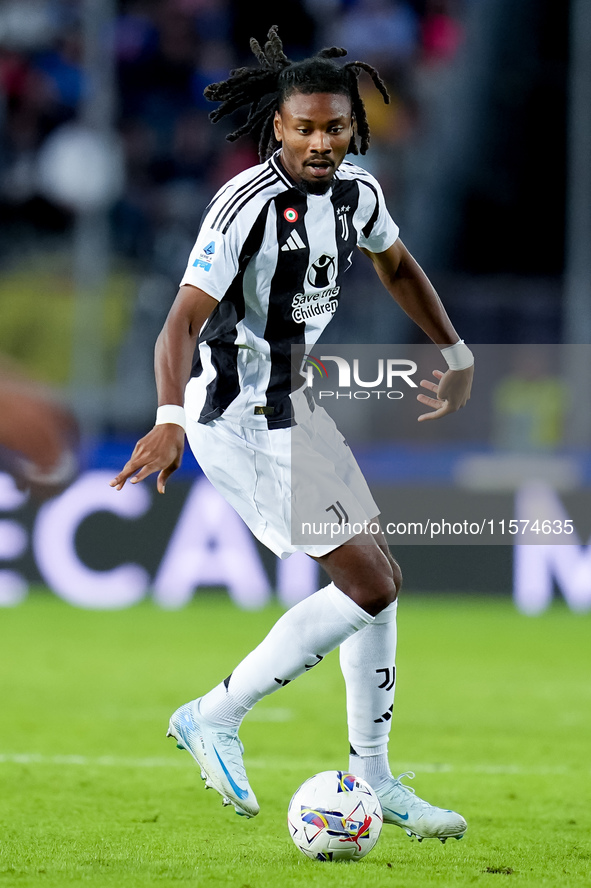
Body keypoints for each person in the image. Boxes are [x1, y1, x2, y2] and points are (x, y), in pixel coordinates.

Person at [111, 27, 474, 842]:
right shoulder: (241, 206)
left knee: (382, 575)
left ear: (354, 129)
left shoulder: (359, 193)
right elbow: (178, 324)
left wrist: (453, 351)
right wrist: (168, 421)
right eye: (303, 127)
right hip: (235, 417)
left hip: (295, 406)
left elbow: (397, 267)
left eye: (334, 128)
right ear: (276, 127)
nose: (319, 141)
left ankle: (375, 780)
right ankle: (212, 714)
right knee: (368, 586)